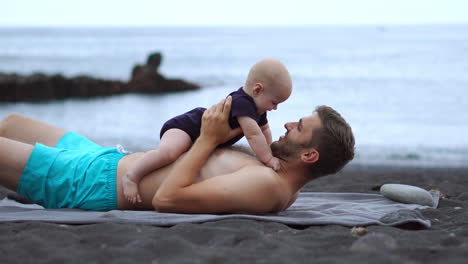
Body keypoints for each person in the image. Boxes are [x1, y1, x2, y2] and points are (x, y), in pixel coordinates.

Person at [0, 96, 355, 214]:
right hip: (108, 158)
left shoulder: (267, 186)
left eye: (301, 127)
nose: (289, 122)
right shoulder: (280, 181)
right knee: (12, 122)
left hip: (89, 182)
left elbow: (167, 199)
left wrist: (208, 139)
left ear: (309, 155)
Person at [122, 58, 292, 204]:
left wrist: (269, 150)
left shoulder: (259, 109)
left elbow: (264, 130)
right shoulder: (243, 102)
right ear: (257, 90)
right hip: (186, 127)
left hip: (201, 136)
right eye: (274, 102)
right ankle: (132, 176)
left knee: (181, 157)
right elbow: (254, 135)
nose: (275, 108)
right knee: (168, 153)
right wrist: (268, 159)